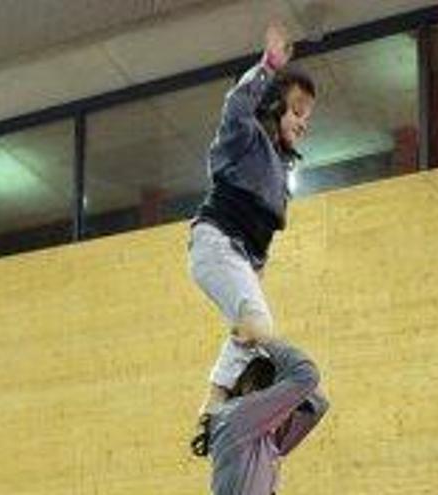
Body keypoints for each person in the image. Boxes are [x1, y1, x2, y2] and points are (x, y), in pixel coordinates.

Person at [187, 18, 317, 449]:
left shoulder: (280, 171)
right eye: (297, 111)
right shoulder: (246, 138)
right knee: (258, 326)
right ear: (276, 106)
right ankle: (228, 398)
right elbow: (235, 106)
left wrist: (256, 275)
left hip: (238, 256)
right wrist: (266, 67)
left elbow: (262, 239)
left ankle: (210, 412)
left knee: (246, 334)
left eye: (308, 117)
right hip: (214, 242)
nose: (304, 122)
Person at [205, 337, 329, 495]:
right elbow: (306, 376)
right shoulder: (238, 418)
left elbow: (318, 404)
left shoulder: (264, 435)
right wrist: (262, 338)